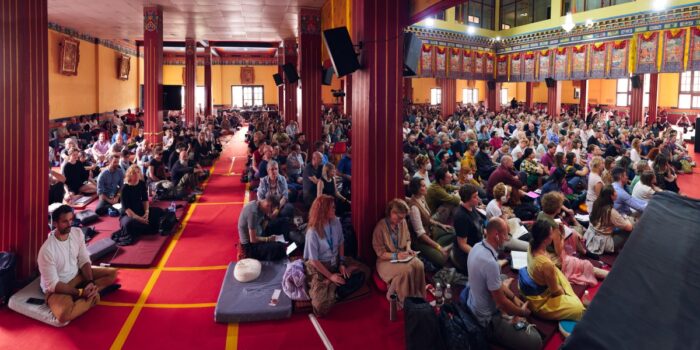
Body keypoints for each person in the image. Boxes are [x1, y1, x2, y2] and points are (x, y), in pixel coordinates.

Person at [465, 217, 542, 350]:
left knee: (501, 277)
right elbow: (501, 302)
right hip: (485, 320)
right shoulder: (490, 263)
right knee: (536, 341)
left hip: (473, 303)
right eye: (506, 234)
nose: (507, 238)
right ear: (496, 235)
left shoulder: (477, 246)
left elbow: (498, 284)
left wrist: (513, 297)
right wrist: (522, 313)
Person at [38, 205, 120, 323]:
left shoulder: (77, 233)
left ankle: (89, 293)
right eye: (65, 221)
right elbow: (53, 285)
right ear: (55, 223)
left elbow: (84, 260)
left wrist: (90, 282)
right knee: (64, 315)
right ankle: (95, 296)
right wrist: (80, 292)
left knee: (112, 274)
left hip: (78, 275)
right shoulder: (47, 250)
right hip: (60, 287)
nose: (69, 224)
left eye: (71, 220)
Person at [303, 195, 370, 317]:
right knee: (320, 306)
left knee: (366, 271)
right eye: (332, 208)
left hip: (337, 261)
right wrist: (330, 277)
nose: (335, 209)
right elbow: (313, 261)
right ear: (323, 210)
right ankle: (335, 286)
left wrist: (342, 264)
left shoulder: (336, 221)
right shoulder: (312, 232)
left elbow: (341, 243)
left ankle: (335, 289)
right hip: (321, 266)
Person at [520, 220, 585, 321]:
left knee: (556, 271)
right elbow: (555, 291)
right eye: (551, 234)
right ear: (545, 240)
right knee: (578, 308)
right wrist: (564, 294)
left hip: (537, 280)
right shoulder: (545, 263)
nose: (553, 236)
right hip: (540, 300)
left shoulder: (532, 244)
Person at [372, 199, 426, 305]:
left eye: (403, 218)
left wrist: (408, 249)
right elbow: (380, 253)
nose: (401, 220)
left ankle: (418, 295)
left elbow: (408, 239)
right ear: (392, 213)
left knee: (419, 264)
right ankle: (406, 301)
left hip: (402, 255)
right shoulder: (380, 227)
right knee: (406, 270)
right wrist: (396, 256)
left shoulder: (403, 222)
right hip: (385, 261)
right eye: (399, 217)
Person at [406, 178, 454, 267]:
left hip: (429, 231)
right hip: (419, 241)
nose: (426, 187)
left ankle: (440, 247)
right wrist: (438, 247)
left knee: (452, 231)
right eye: (423, 186)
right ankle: (440, 247)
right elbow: (421, 235)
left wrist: (441, 225)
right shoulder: (414, 208)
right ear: (417, 189)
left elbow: (428, 219)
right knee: (441, 259)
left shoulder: (422, 197)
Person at [114, 165, 165, 245]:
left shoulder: (141, 184)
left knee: (159, 211)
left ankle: (143, 226)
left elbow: (145, 200)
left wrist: (147, 212)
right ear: (130, 174)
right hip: (128, 214)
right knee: (129, 224)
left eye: (138, 172)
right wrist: (140, 219)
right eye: (134, 173)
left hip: (140, 209)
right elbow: (127, 209)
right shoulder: (124, 188)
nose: (137, 174)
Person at [583, 185, 633, 254]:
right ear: (611, 196)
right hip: (603, 242)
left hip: (591, 235)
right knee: (630, 228)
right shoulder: (611, 212)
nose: (616, 192)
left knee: (617, 226)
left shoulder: (596, 202)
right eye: (614, 191)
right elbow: (629, 228)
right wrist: (626, 218)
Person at [237, 194, 286, 261]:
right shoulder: (253, 213)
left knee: (282, 222)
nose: (271, 213)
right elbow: (253, 240)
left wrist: (268, 218)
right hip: (250, 246)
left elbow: (262, 226)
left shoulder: (260, 205)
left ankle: (285, 241)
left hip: (259, 232)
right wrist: (268, 239)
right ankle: (284, 248)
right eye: (271, 211)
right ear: (268, 205)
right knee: (280, 247)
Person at [451, 184, 487, 272]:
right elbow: (462, 244)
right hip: (467, 254)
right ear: (467, 200)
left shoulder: (472, 208)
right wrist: (479, 254)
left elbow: (479, 226)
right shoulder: (461, 217)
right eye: (475, 197)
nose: (478, 199)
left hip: (478, 243)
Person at [485, 183, 529, 252]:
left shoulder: (493, 202)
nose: (509, 197)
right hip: (502, 239)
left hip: (498, 231)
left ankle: (522, 235)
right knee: (528, 247)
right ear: (503, 197)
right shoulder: (496, 209)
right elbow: (507, 230)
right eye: (508, 195)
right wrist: (505, 217)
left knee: (517, 219)